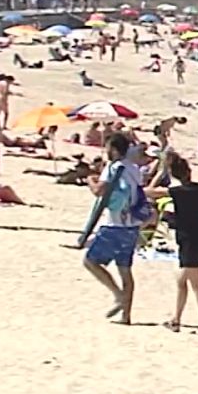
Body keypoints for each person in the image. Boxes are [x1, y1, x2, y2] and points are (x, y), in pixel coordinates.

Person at [76, 133, 145, 325]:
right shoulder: (134, 169)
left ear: (113, 149)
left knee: (90, 262)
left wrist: (90, 179)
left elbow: (99, 191)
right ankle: (126, 315)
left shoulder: (113, 167)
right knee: (125, 270)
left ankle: (118, 295)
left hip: (115, 224)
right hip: (132, 224)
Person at [147, 156, 198, 335]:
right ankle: (177, 320)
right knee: (184, 281)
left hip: (187, 240)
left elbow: (148, 191)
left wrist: (160, 173)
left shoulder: (176, 191)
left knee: (195, 284)